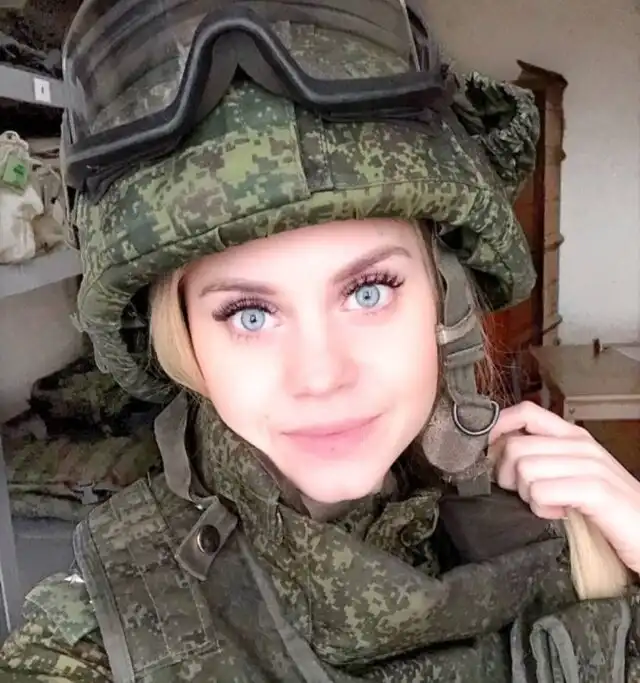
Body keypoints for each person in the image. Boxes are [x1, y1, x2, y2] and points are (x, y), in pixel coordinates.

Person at [2, 0, 640, 681]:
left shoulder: (569, 539)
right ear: (185, 341)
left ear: (444, 302)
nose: (321, 375)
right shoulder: (90, 641)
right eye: (250, 314)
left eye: (368, 292)